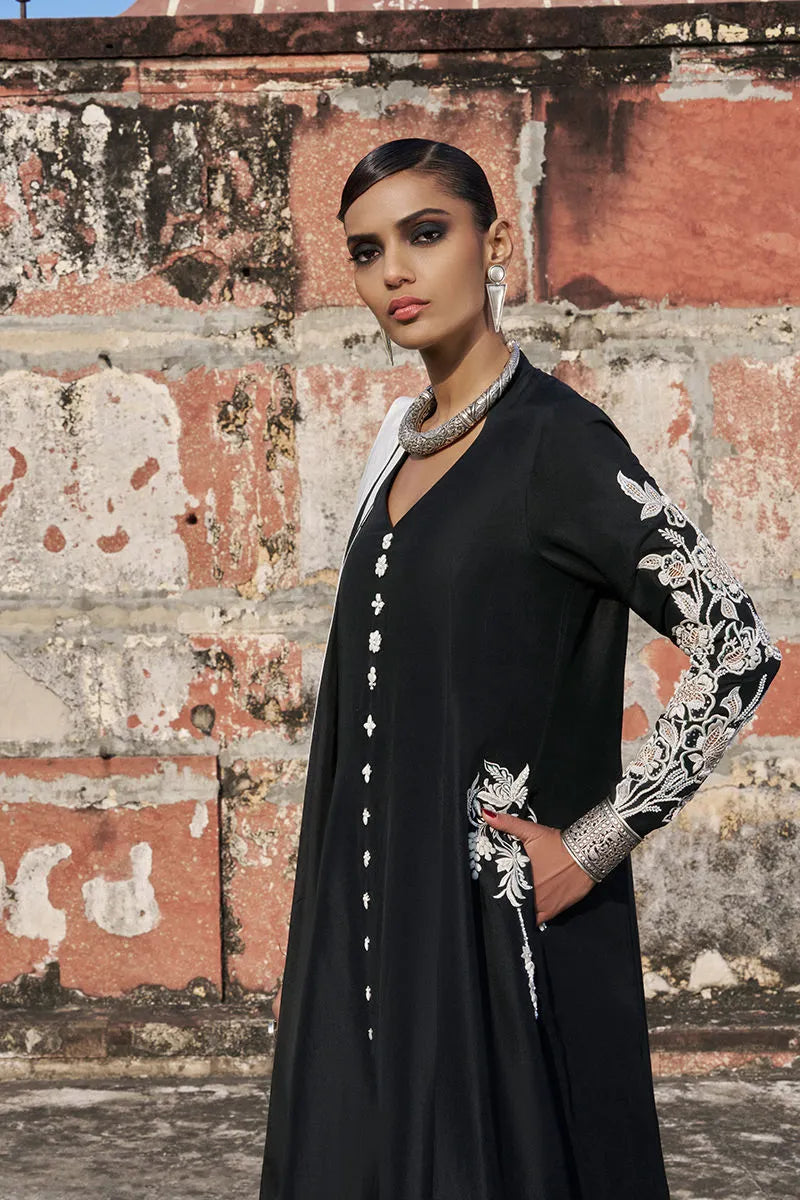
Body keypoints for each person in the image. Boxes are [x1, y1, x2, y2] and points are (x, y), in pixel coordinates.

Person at [259, 138, 782, 1200]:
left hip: (491, 941)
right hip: (369, 932)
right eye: (367, 252)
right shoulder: (391, 451)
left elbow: (736, 648)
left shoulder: (558, 445)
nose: (394, 273)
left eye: (425, 234)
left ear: (494, 243)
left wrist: (591, 843)